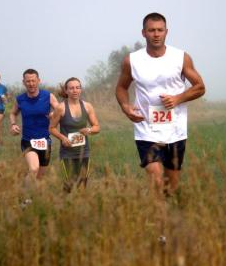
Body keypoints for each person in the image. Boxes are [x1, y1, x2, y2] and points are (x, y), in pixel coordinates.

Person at [115, 12, 206, 195]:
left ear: (166, 32)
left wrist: (177, 99)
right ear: (143, 33)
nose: (156, 34)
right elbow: (121, 88)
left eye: (159, 30)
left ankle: (169, 213)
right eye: (151, 30)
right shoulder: (132, 60)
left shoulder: (181, 57)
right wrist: (126, 107)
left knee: (170, 186)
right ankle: (157, 220)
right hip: (146, 128)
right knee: (155, 176)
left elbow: (200, 87)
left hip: (175, 129)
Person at [9, 69, 60, 184]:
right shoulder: (20, 99)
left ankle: (32, 196)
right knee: (33, 169)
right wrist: (13, 124)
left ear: (38, 81)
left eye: (33, 81)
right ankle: (24, 197)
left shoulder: (48, 96)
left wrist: (54, 114)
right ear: (24, 82)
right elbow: (13, 113)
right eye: (28, 81)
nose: (31, 84)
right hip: (28, 140)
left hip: (45, 141)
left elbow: (59, 109)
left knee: (40, 176)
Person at [49, 77, 100, 192]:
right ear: (66, 91)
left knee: (82, 185)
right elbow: (51, 128)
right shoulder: (61, 108)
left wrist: (89, 130)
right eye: (71, 88)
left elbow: (97, 127)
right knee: (69, 186)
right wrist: (62, 138)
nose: (75, 90)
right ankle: (66, 207)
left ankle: (80, 209)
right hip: (67, 153)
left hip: (84, 152)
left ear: (81, 90)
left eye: (77, 87)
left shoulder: (87, 106)